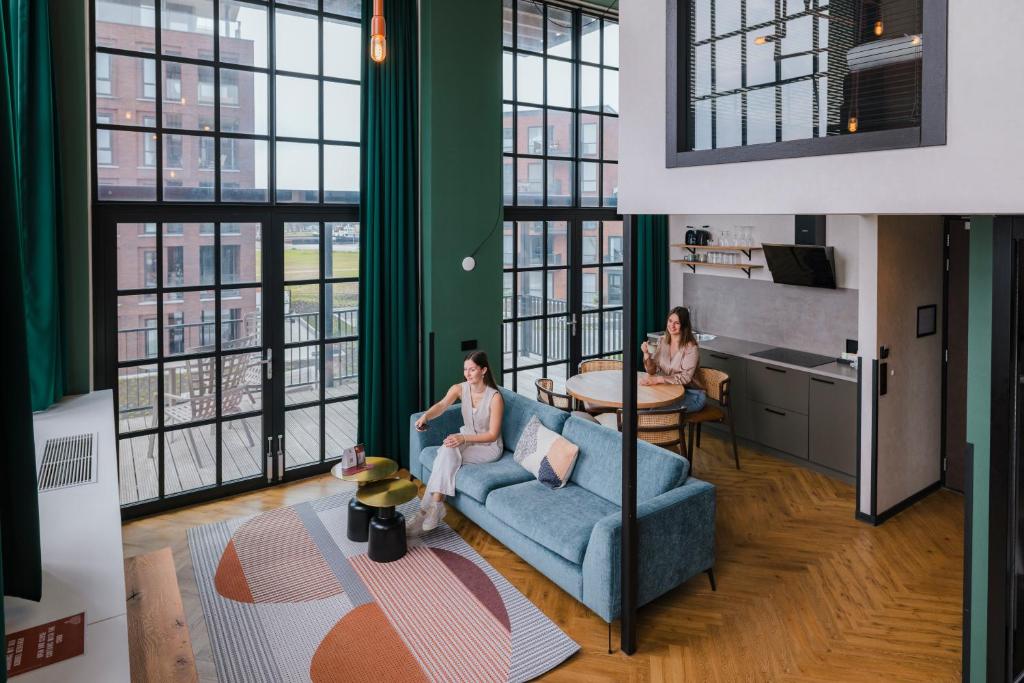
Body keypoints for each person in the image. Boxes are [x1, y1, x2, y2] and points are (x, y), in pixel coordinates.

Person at [410, 350, 504, 534]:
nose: (467, 374)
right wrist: (426, 416)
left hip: (488, 447)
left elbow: (492, 435)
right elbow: (442, 406)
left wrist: (462, 438)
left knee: (445, 456)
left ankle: (424, 511)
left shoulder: (495, 398)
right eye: (465, 369)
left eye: (472, 369)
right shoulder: (459, 389)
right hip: (466, 438)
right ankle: (436, 506)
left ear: (483, 370)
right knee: (447, 450)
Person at [639, 306, 707, 414]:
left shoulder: (690, 348)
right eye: (670, 321)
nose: (672, 326)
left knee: (653, 413)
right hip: (670, 390)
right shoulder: (662, 341)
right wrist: (646, 355)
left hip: (692, 394)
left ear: (684, 326)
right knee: (641, 406)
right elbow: (652, 370)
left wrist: (657, 380)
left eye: (677, 323)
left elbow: (685, 378)